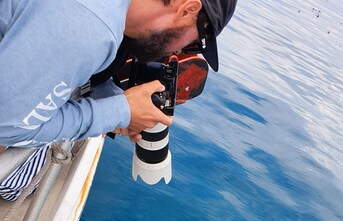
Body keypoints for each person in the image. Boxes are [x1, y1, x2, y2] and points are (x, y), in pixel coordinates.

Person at [0, 0, 238, 149]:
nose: (178, 51)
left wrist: (112, 99)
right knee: (23, 177)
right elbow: (6, 128)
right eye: (195, 44)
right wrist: (119, 111)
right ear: (188, 9)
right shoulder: (92, 26)